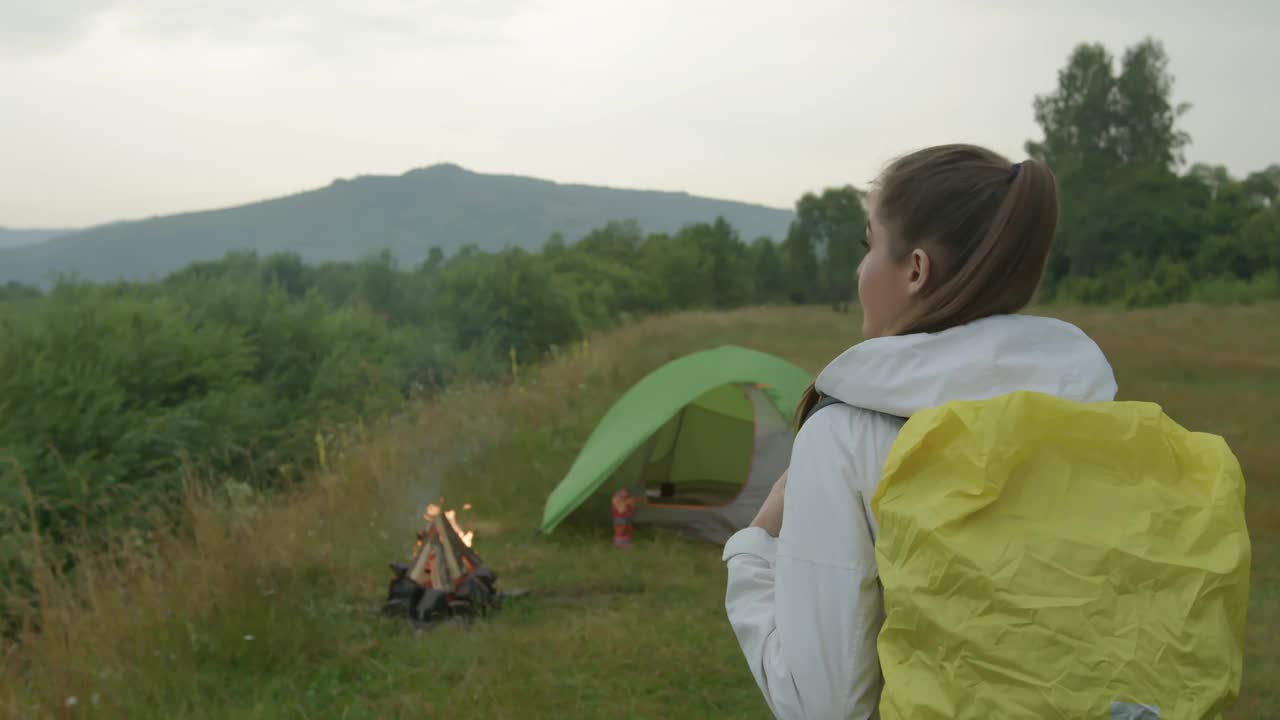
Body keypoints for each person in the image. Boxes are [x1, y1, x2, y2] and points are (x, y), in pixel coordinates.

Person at [721, 143, 1120, 719]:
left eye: (868, 245)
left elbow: (825, 706)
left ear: (914, 269)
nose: (860, 270)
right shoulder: (1088, 406)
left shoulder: (849, 435)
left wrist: (753, 548)